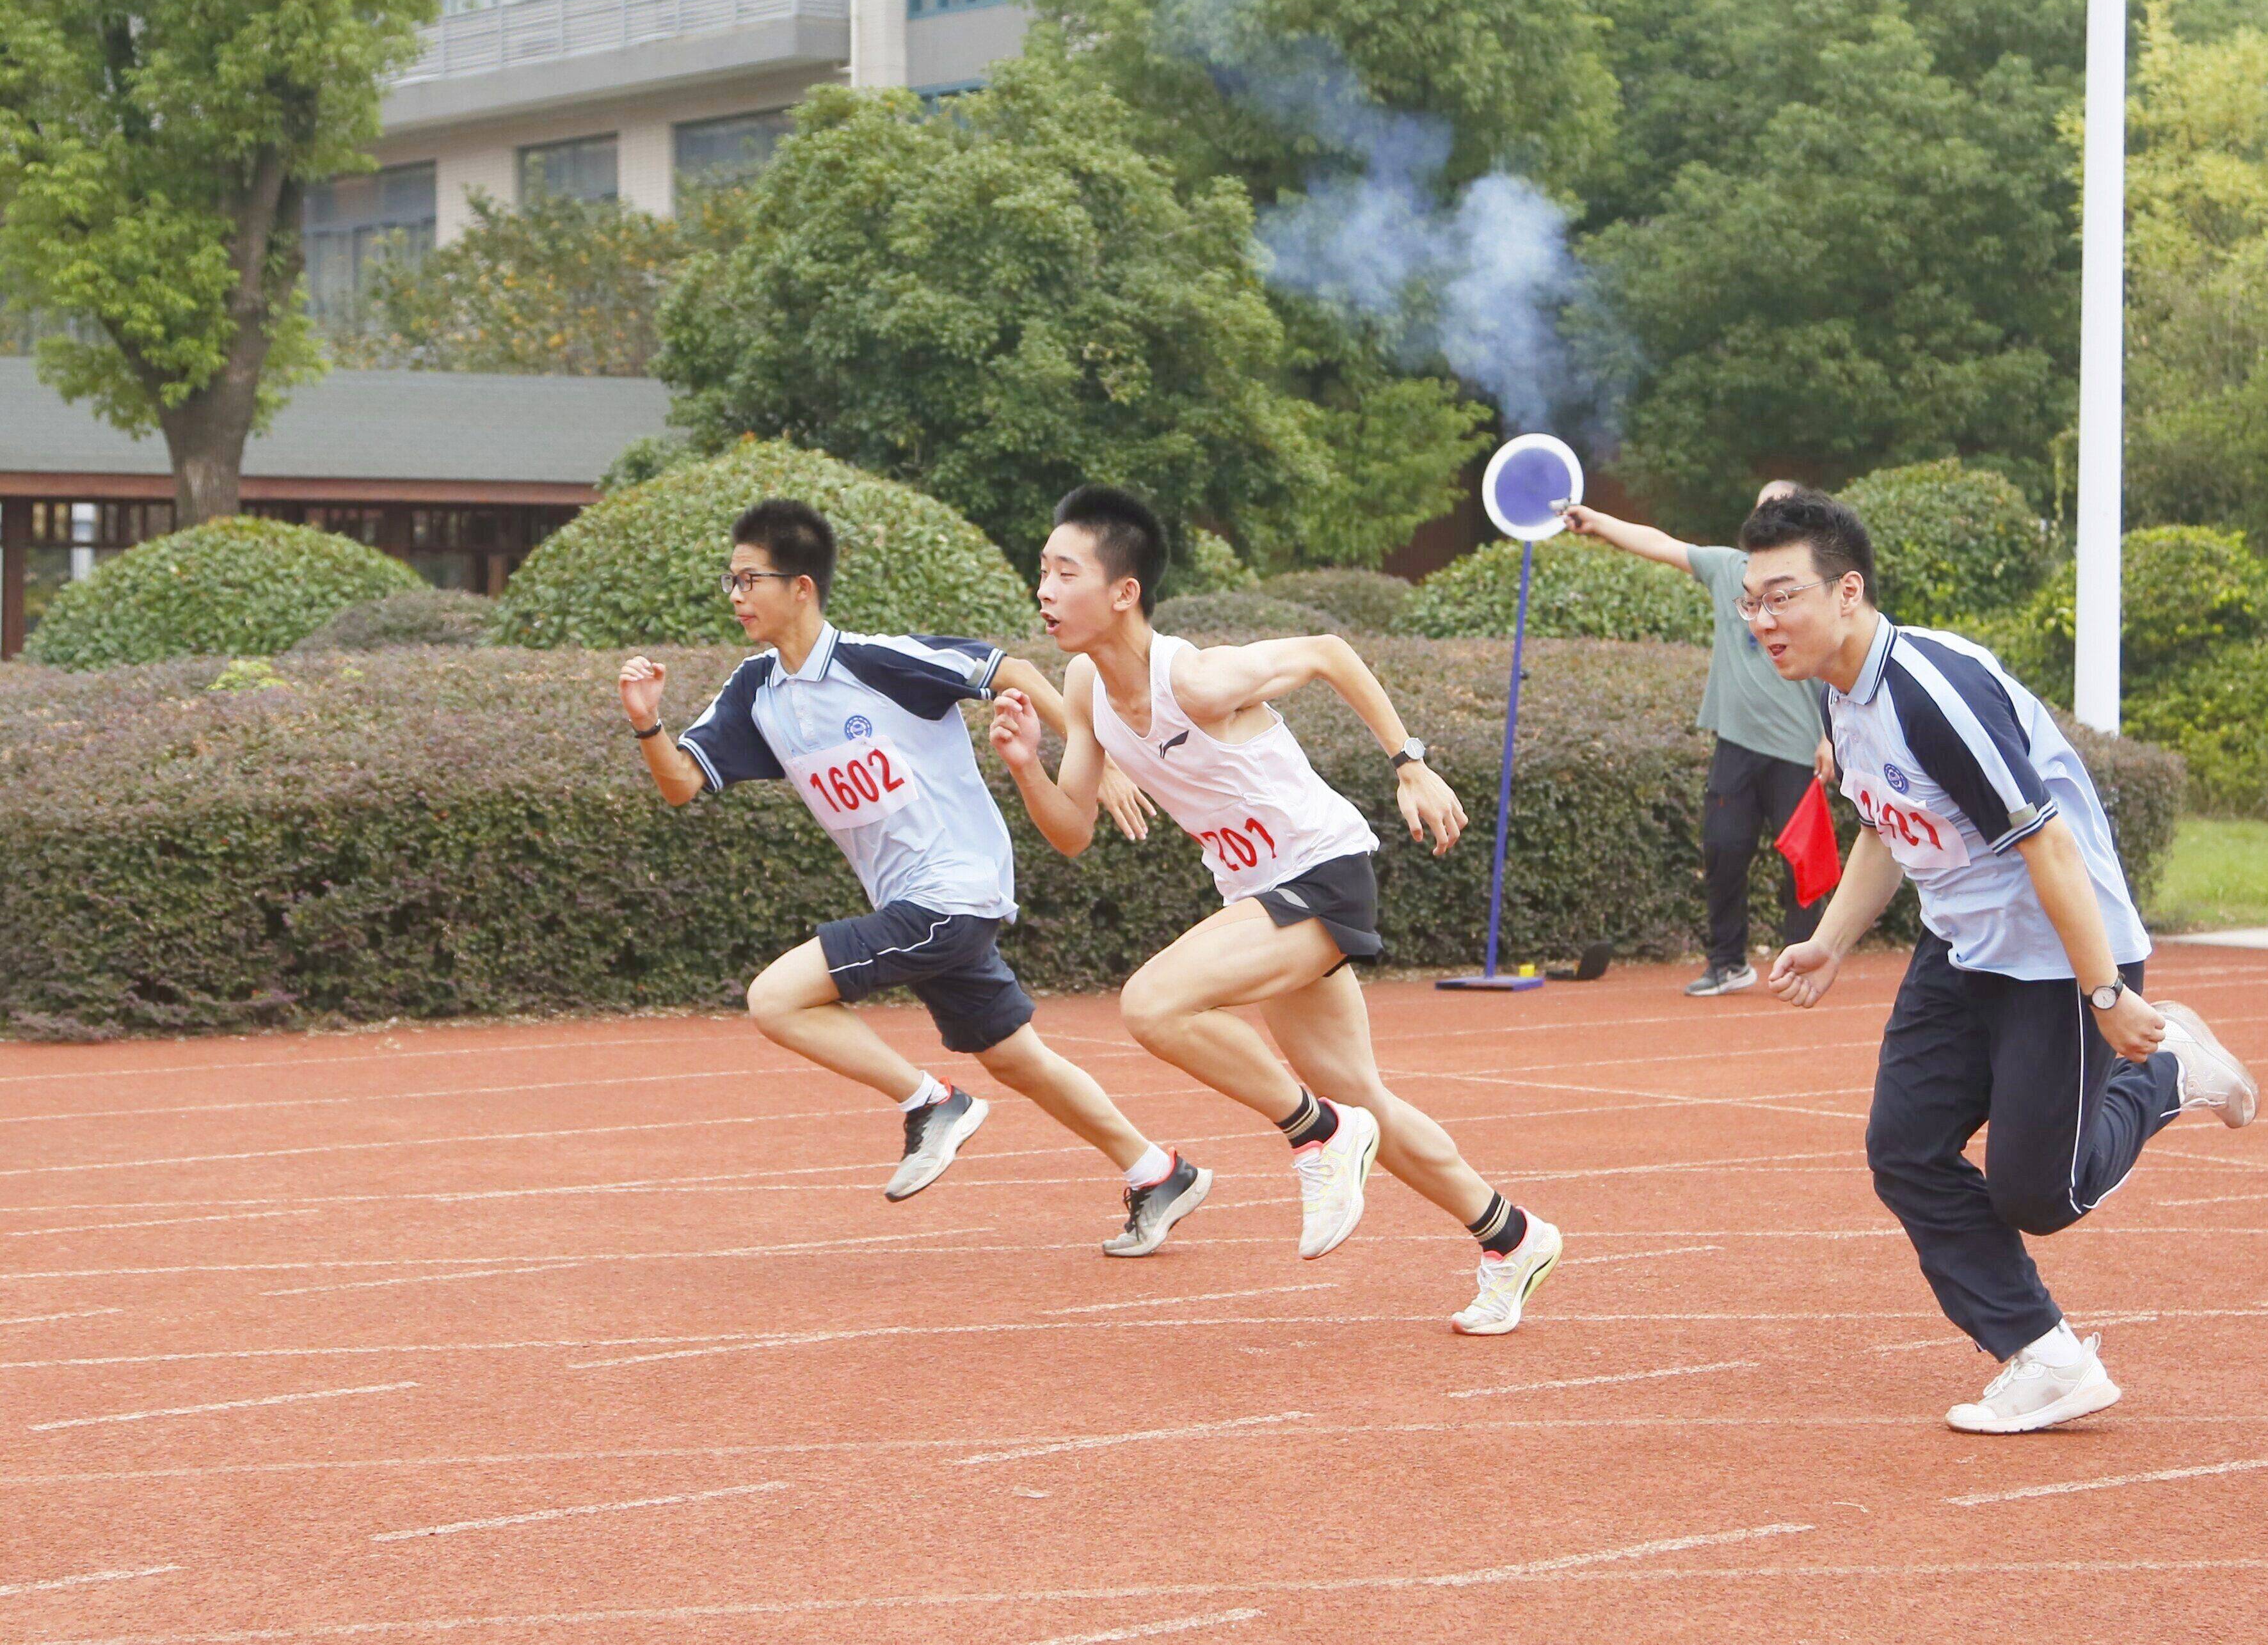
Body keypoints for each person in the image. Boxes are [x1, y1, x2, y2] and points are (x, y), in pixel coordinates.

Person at [1741, 488, 2259, 1432]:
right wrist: (1829, 938)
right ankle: (2044, 1354)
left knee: (2039, 1195)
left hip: (2059, 956)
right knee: (1902, 1151)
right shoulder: (1833, 686)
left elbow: (2047, 847)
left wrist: (2103, 991)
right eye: (1750, 601)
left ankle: (2170, 1068)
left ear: (1846, 592)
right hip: (1958, 946)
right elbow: (1883, 824)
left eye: (1781, 597)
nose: (1761, 620)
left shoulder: (1930, 692)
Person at [987, 484, 1563, 1335]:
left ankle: (1316, 1132)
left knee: (1153, 1002)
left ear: (1122, 591)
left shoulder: (1194, 676)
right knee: (1367, 1098)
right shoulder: (1083, 684)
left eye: (1063, 572)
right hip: (1264, 895)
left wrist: (1408, 761)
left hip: (1322, 874)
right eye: (1041, 570)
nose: (1044, 589)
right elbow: (1071, 831)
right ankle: (1511, 1236)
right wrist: (1026, 767)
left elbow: (1329, 649)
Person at [616, 498, 1210, 1259]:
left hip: (952, 889)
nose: (734, 595)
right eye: (727, 581)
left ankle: (934, 1101)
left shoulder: (877, 660)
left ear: (801, 587)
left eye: (747, 579)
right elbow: (682, 784)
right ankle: (1158, 1170)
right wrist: (646, 720)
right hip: (917, 906)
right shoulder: (755, 692)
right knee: (1016, 1057)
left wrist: (1096, 752)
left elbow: (1011, 670)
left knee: (775, 998)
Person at [1562, 484, 1835, 996]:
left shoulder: (1813, 584)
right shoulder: (1725, 568)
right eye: (1762, 509)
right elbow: (1659, 542)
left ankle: (1801, 962)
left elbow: (1835, 660)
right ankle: (1728, 963)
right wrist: (1596, 521)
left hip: (1798, 748)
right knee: (1722, 850)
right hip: (1734, 743)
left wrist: (1830, 737)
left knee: (1799, 864)